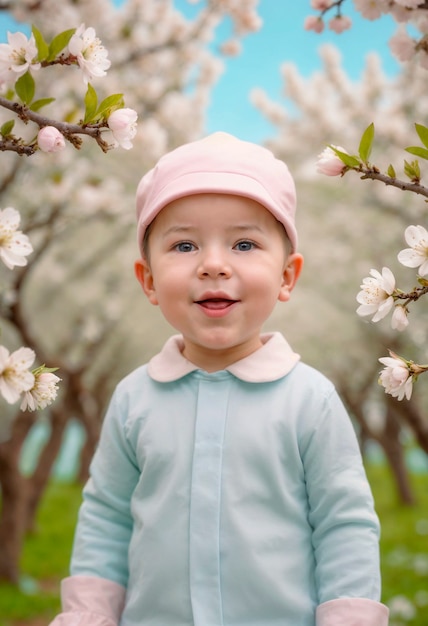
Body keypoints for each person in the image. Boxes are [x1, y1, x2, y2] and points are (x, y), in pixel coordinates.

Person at [50, 132, 389, 626]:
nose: (213, 264)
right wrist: (89, 615)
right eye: (184, 244)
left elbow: (344, 524)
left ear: (286, 277)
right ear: (147, 280)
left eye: (244, 244)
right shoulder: (134, 399)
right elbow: (108, 516)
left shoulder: (308, 400)